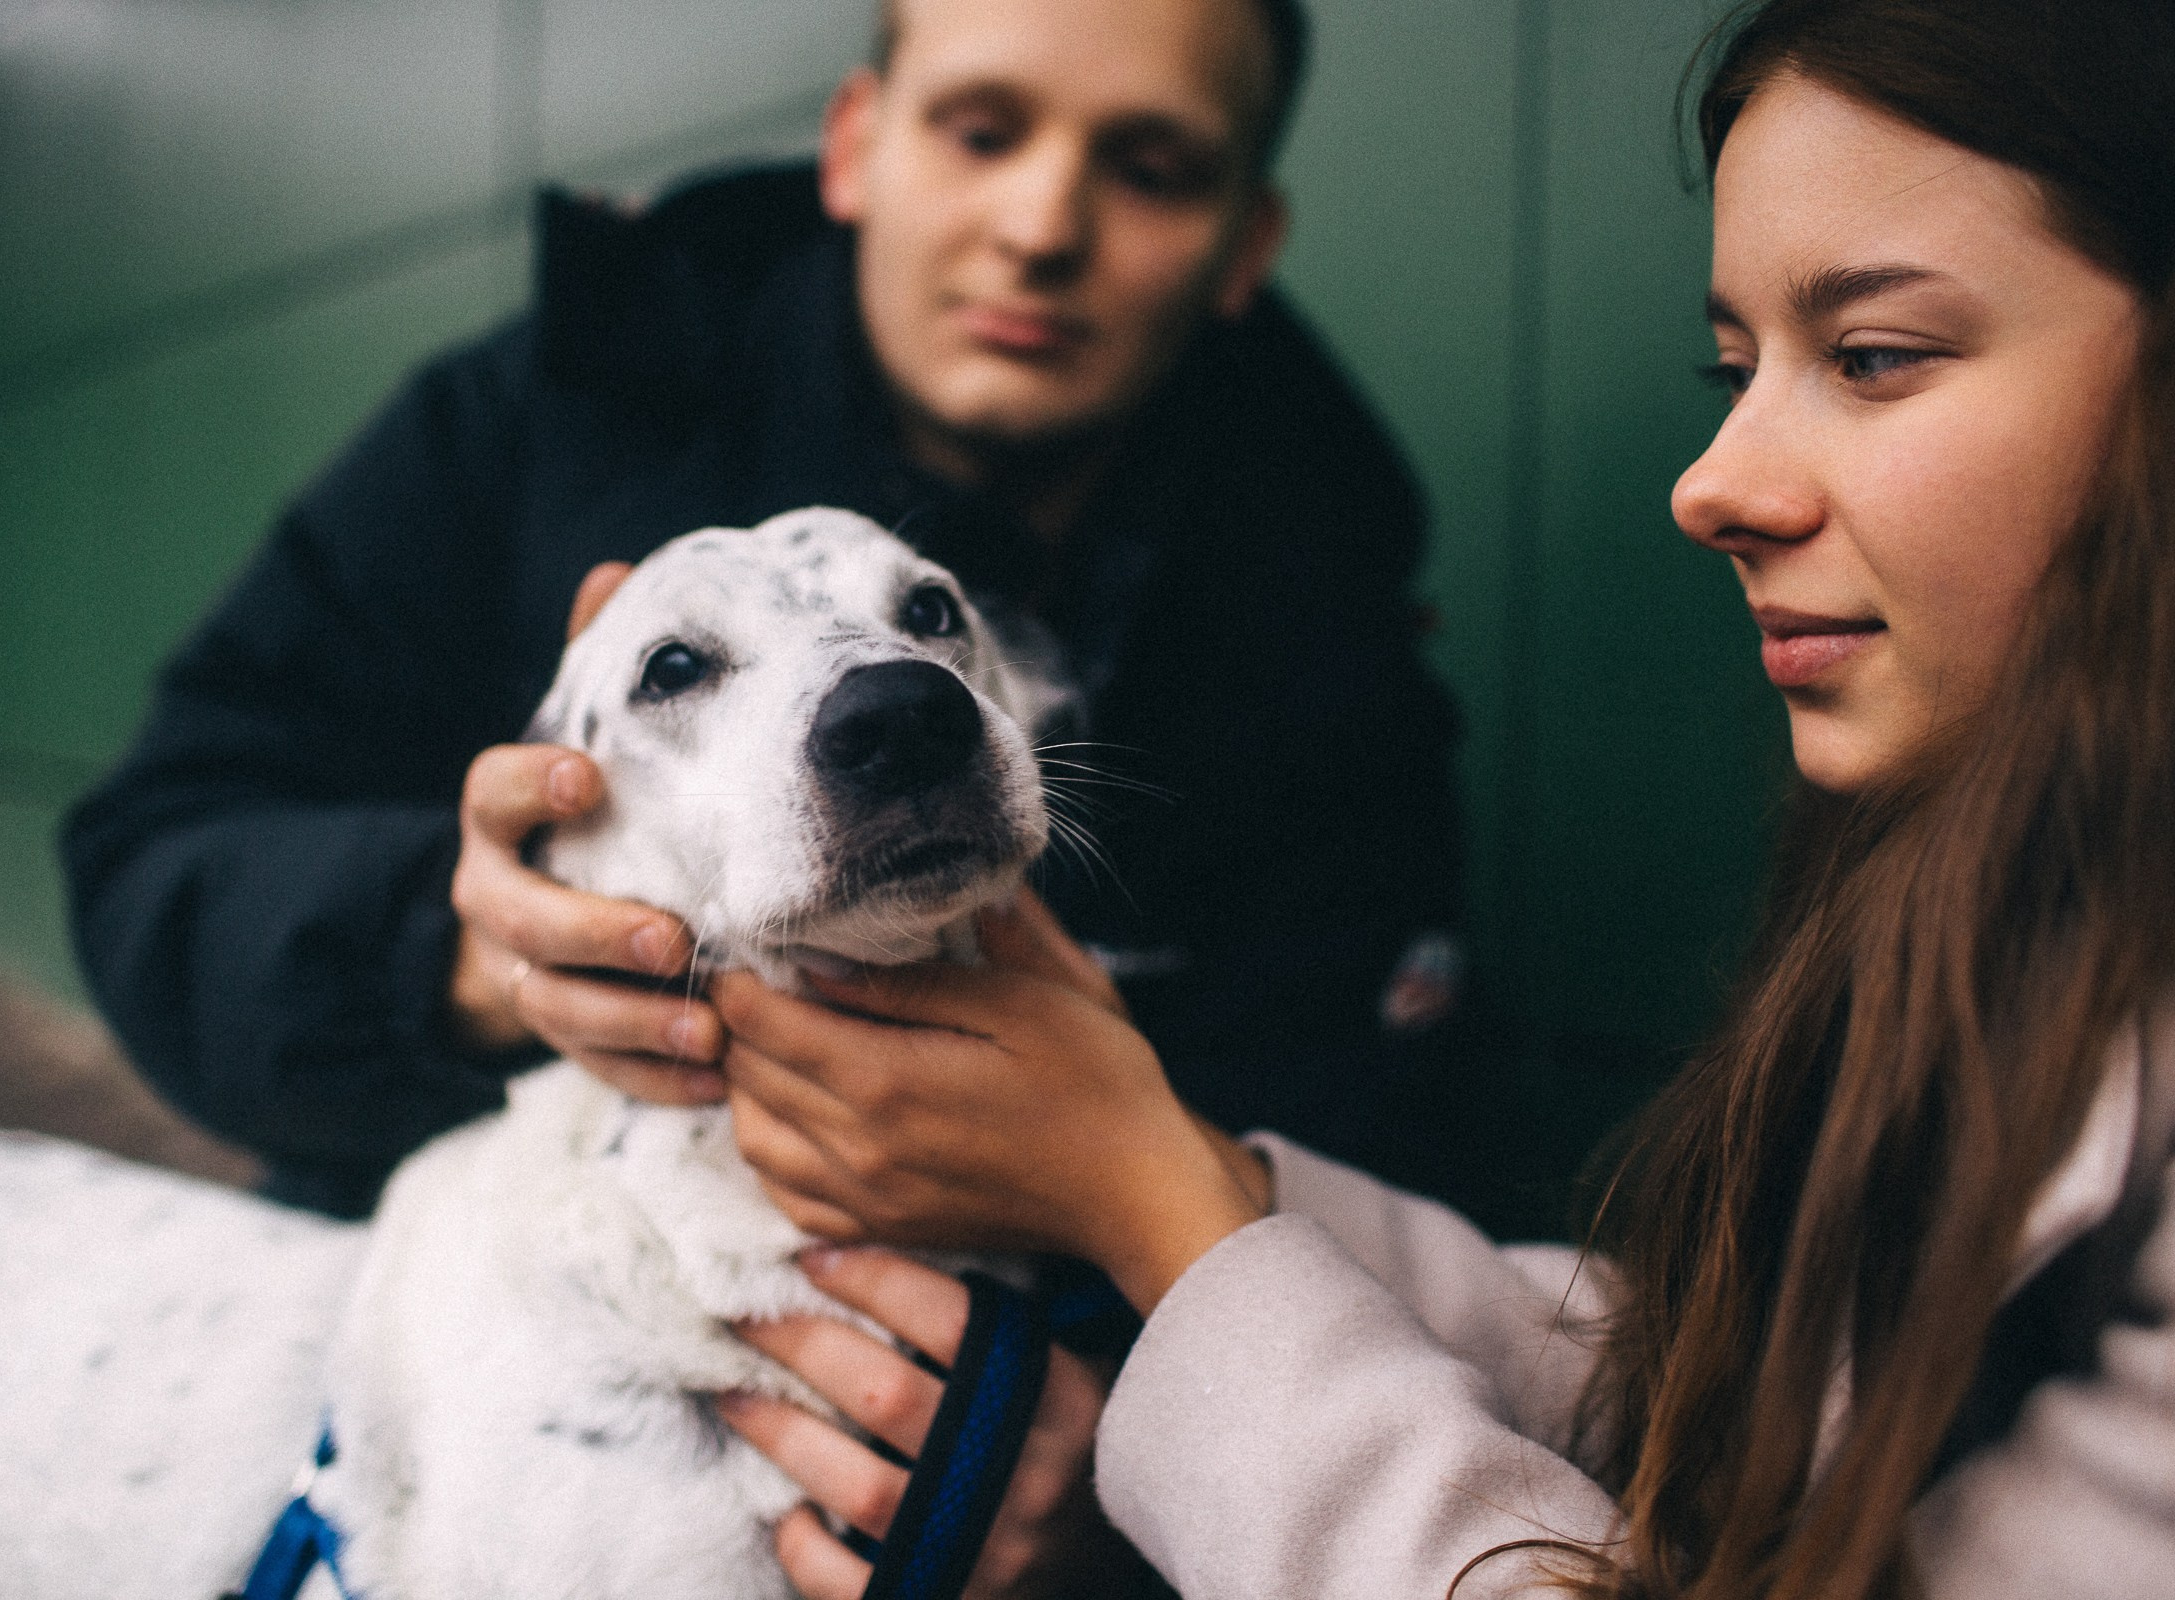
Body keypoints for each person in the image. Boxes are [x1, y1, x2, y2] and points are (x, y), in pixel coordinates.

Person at [696, 1, 2175, 1595]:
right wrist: (1163, 1165)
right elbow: (1737, 1381)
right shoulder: (2018, 912)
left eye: (1873, 357)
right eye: (1731, 369)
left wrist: (1163, 1212)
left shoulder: (1334, 634)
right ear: (857, 141)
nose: (1713, 486)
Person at [59, 0, 1467, 1222]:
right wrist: (468, 951)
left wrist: (1110, 1415)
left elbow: (1363, 1138)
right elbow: (151, 865)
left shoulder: (1326, 593)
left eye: (1153, 170)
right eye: (982, 132)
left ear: (1245, 243)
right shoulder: (540, 413)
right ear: (854, 144)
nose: (1041, 228)